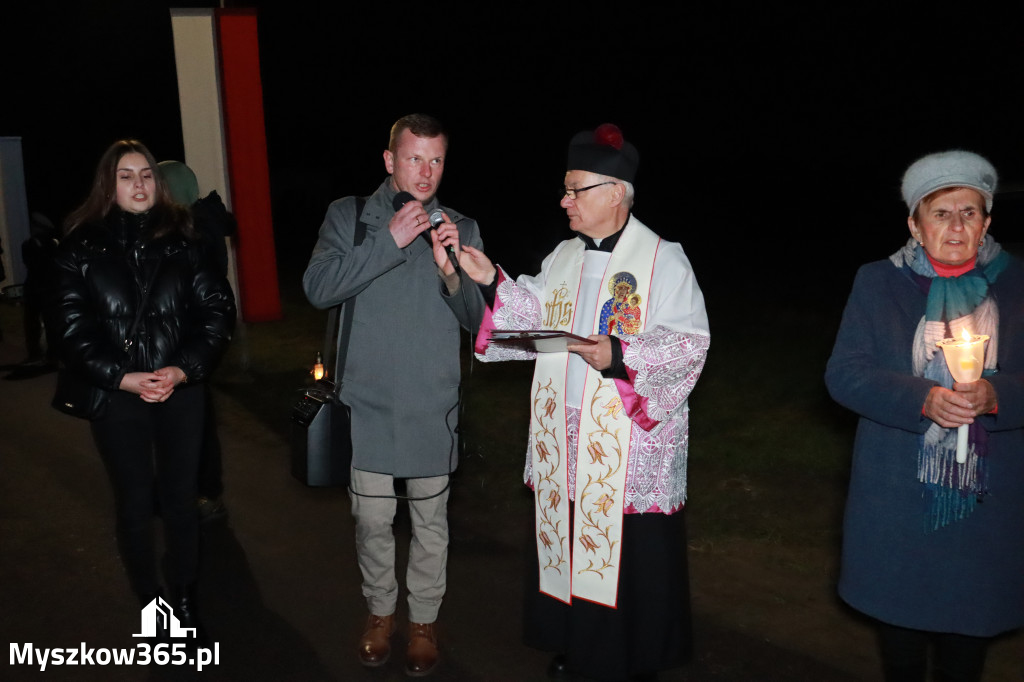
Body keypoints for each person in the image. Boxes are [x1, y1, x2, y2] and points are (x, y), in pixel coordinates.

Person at [452, 123, 710, 681]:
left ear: (615, 191)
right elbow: (533, 316)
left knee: (629, 556)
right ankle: (576, 644)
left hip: (626, 443)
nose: (564, 200)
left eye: (576, 189)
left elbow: (689, 344)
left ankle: (630, 657)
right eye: (565, 190)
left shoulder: (665, 260)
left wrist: (617, 352)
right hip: (566, 438)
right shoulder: (564, 256)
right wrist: (491, 281)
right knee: (568, 543)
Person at [825, 150, 1024, 682]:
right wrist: (922, 399)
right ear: (914, 223)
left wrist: (995, 394)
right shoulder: (877, 282)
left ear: (986, 222)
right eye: (941, 213)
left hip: (989, 504)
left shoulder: (1018, 285)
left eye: (970, 212)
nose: (957, 225)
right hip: (898, 499)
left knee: (967, 643)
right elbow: (845, 374)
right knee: (902, 645)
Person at [302, 113, 484, 677]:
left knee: (431, 524)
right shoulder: (350, 216)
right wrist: (389, 242)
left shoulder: (462, 226)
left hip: (434, 405)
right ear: (389, 161)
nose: (425, 172)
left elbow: (483, 325)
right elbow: (317, 288)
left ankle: (424, 620)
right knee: (374, 522)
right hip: (368, 405)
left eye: (435, 160)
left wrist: (453, 272)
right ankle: (380, 613)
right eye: (413, 158)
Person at [48, 139, 236, 637]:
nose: (138, 184)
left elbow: (216, 314)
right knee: (133, 502)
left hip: (180, 392)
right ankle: (151, 604)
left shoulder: (186, 240)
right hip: (117, 396)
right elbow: (70, 329)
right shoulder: (79, 246)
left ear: (159, 183)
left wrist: (181, 370)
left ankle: (183, 596)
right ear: (108, 185)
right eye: (126, 175)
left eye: (147, 175)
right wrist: (122, 377)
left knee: (180, 501)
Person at [158, 159, 237, 520]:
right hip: (185, 337)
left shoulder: (196, 230)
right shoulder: (194, 224)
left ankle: (205, 494)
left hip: (193, 340)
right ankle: (189, 492)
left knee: (197, 420)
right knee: (186, 418)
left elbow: (206, 293)